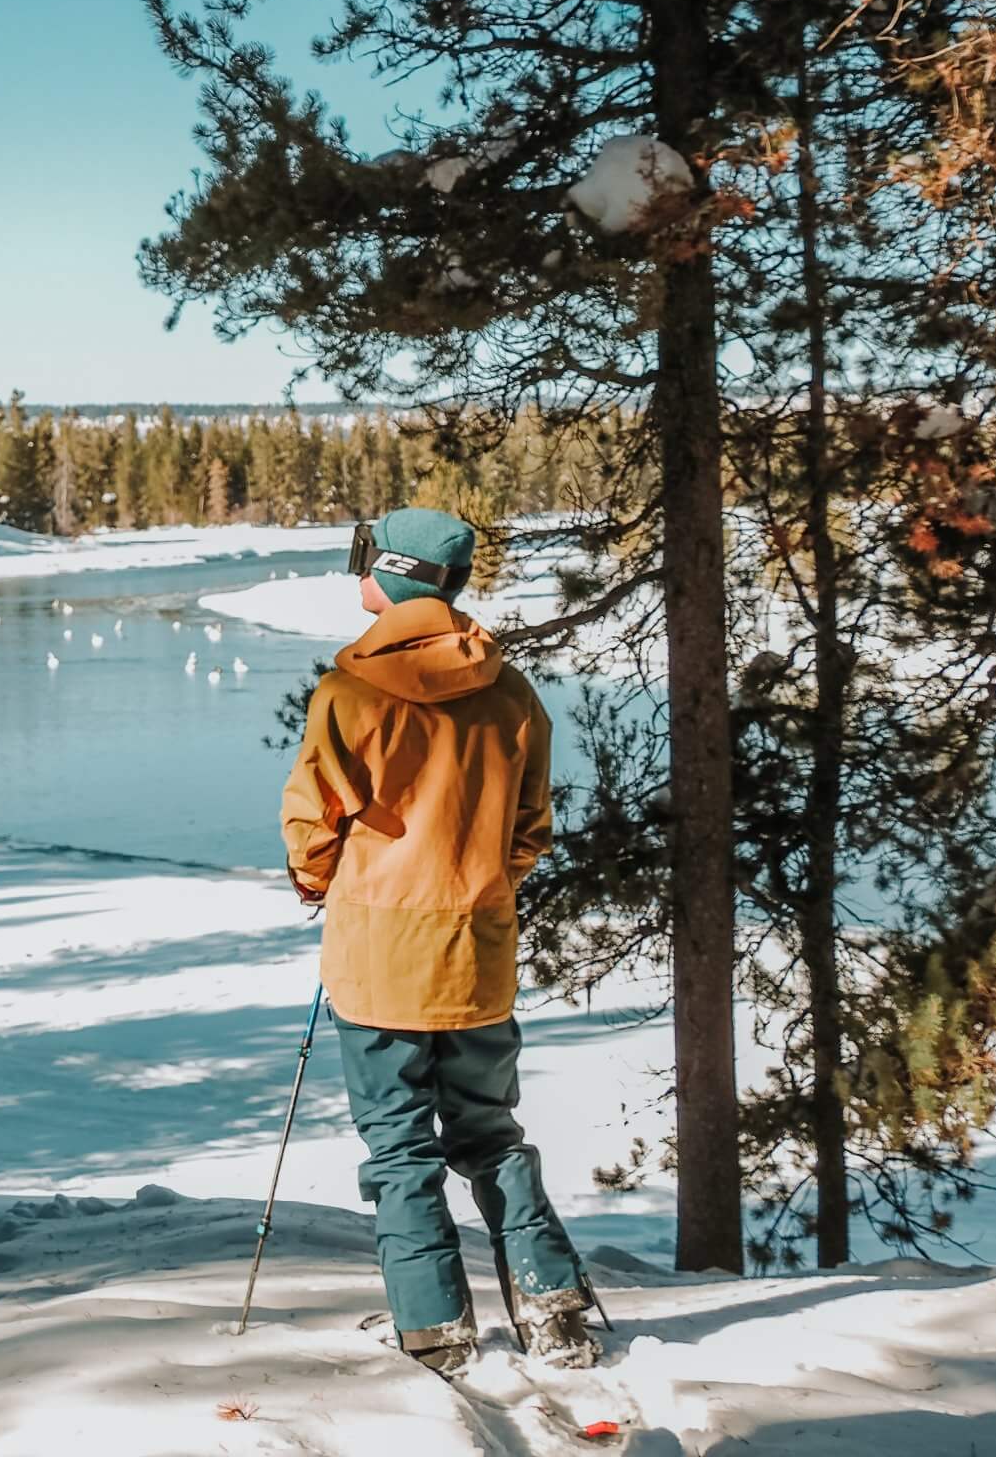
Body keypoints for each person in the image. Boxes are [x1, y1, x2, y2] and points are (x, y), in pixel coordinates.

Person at [279, 505, 597, 1376]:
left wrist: (321, 881)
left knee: (401, 1147)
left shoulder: (349, 692)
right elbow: (530, 828)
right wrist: (481, 889)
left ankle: (435, 1329)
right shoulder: (512, 691)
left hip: (379, 962)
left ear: (393, 570)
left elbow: (313, 822)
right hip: (477, 954)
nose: (354, 575)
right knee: (491, 1133)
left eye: (360, 558)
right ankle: (553, 1308)